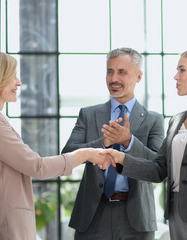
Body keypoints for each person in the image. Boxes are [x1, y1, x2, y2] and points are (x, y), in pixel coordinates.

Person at [0, 50, 110, 240]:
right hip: (3, 228)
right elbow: (38, 167)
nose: (19, 83)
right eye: (13, 76)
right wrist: (86, 154)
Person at [102, 49, 187, 240]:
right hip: (176, 216)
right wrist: (122, 160)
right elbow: (159, 169)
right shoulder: (176, 121)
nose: (176, 76)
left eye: (182, 70)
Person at [61, 47, 164, 240]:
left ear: (139, 76)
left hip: (136, 219)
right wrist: (104, 142)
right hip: (92, 215)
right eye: (110, 71)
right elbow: (67, 153)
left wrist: (128, 141)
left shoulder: (153, 120)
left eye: (122, 72)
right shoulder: (88, 114)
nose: (113, 78)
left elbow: (157, 166)